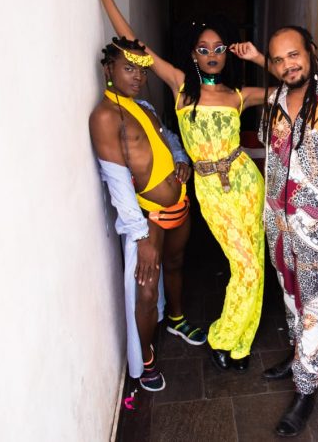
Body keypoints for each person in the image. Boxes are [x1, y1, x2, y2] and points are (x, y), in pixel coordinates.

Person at [96, 0, 265, 371]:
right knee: (243, 264)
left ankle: (236, 341)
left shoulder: (239, 94)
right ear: (193, 54)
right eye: (203, 49)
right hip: (210, 190)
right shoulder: (180, 86)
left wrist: (260, 57)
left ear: (227, 52)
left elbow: (295, 86)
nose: (211, 55)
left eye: (219, 48)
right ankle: (225, 337)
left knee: (253, 262)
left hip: (246, 182)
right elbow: (135, 44)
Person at [235, 26, 318, 436]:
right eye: (278, 60)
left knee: (315, 305)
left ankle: (305, 388)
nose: (287, 66)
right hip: (277, 222)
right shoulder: (275, 101)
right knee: (288, 293)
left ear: (311, 52)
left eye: (294, 55)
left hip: (315, 228)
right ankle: (298, 354)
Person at [89, 37, 206, 392]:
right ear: (109, 70)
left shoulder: (143, 105)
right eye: (129, 69)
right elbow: (117, 181)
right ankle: (147, 358)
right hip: (149, 217)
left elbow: (167, 137)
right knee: (145, 290)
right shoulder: (105, 116)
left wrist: (182, 160)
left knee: (176, 263)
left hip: (179, 203)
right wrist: (140, 236)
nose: (138, 77)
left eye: (141, 70)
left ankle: (176, 319)